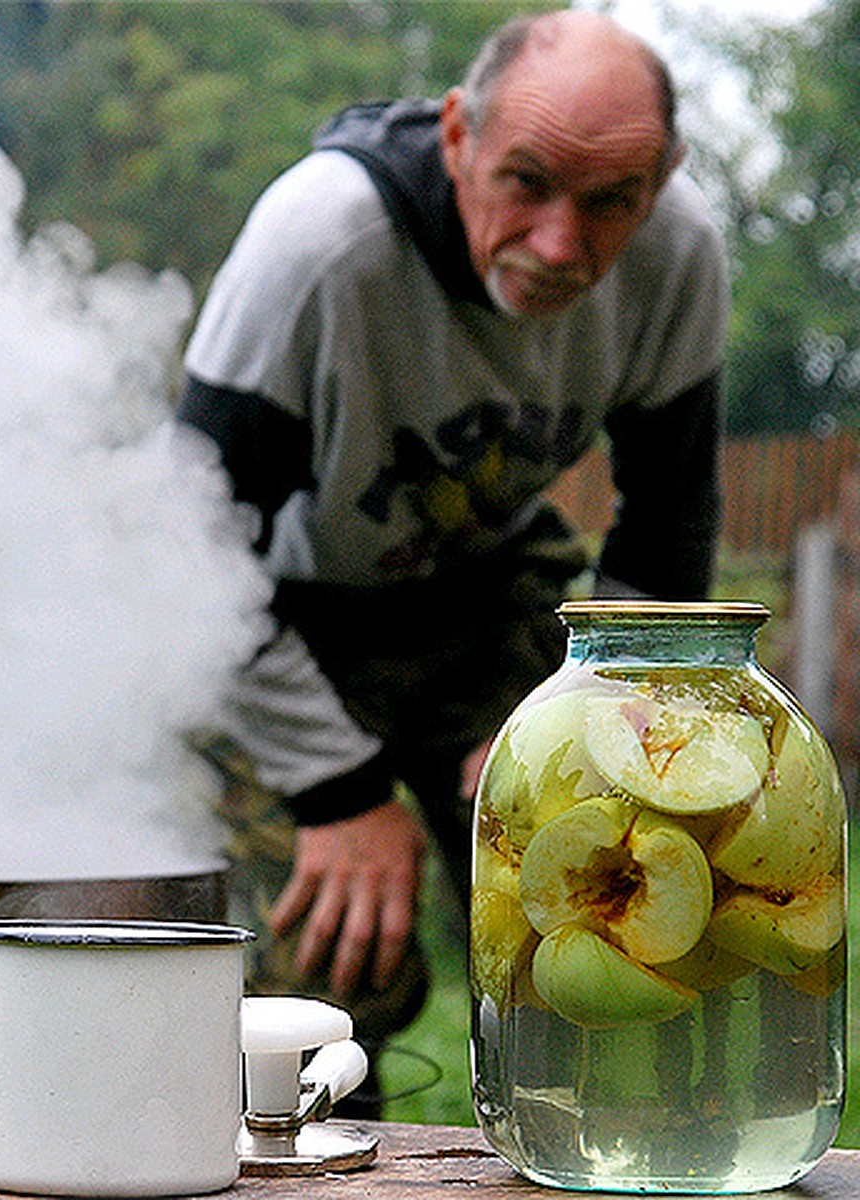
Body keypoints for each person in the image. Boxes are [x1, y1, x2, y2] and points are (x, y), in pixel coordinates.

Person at [178, 9, 728, 1075]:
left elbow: (668, 531)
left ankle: (568, 1142)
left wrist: (576, 718)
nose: (561, 245)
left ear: (661, 178)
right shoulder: (323, 242)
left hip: (487, 591)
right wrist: (340, 795)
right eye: (524, 182)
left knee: (609, 899)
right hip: (283, 618)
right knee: (327, 974)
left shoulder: (680, 255)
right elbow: (186, 550)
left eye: (611, 200)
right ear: (458, 138)